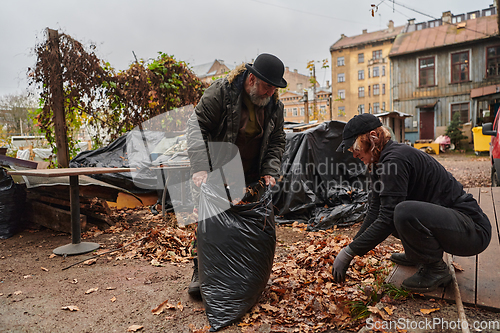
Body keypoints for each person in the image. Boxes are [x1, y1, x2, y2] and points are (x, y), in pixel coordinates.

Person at [332, 113, 491, 292]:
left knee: (401, 212)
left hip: (472, 230)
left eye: (354, 147)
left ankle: (435, 269)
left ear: (372, 137)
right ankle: (418, 255)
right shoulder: (379, 162)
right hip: (454, 225)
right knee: (395, 212)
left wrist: (349, 252)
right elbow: (375, 210)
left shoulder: (395, 159)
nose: (353, 154)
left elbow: (387, 217)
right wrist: (352, 246)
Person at [185, 53, 287, 296]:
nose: (270, 93)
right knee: (208, 222)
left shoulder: (274, 106)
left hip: (251, 175)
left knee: (246, 225)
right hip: (215, 171)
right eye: (267, 87)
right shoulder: (221, 93)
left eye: (274, 88)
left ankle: (240, 272)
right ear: (252, 79)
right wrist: (200, 166)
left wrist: (270, 170)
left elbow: (277, 139)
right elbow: (196, 126)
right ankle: (202, 270)